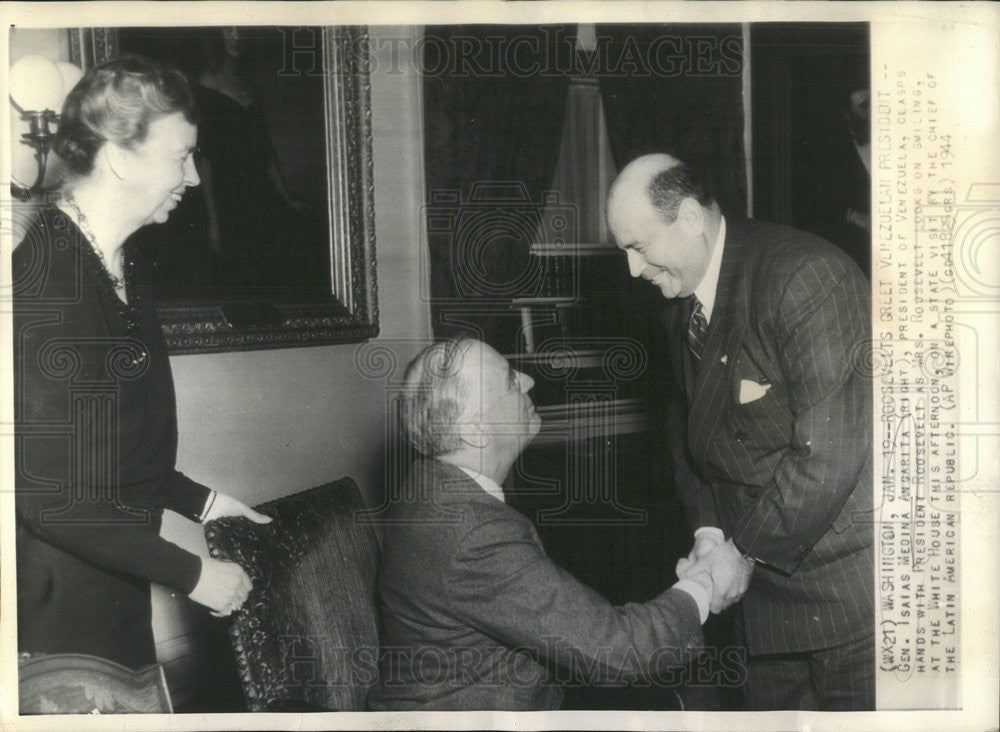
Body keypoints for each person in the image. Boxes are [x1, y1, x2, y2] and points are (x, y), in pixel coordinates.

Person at [12, 54, 271, 671]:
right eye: (180, 156)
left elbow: (113, 456)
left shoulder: (125, 267)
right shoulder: (46, 280)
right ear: (121, 155)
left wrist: (206, 504)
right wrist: (192, 574)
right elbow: (49, 497)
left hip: (109, 598)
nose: (195, 178)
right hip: (52, 621)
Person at [606, 154, 874, 711]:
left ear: (689, 218)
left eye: (638, 247)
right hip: (761, 605)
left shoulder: (805, 278)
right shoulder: (680, 302)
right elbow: (685, 425)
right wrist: (706, 529)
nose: (633, 271)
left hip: (847, 599)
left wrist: (741, 553)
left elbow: (830, 454)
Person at [368, 337, 716, 711]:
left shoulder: (427, 483)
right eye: (509, 380)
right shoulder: (473, 534)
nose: (528, 381)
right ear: (475, 430)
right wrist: (706, 585)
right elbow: (619, 650)